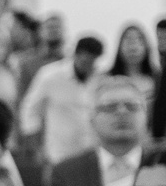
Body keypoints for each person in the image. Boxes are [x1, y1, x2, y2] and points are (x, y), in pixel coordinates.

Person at [18, 32, 105, 167]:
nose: (87, 66)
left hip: (91, 153)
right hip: (58, 155)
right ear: (75, 54)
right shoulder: (50, 75)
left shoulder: (100, 79)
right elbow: (30, 109)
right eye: (84, 61)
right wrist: (34, 146)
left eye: (92, 61)